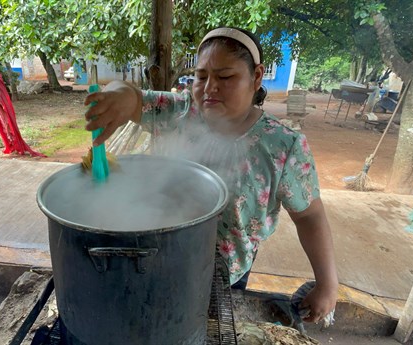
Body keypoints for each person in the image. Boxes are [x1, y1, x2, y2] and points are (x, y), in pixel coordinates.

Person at [84, 27, 338, 324]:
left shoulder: (283, 146)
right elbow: (133, 97)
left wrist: (327, 284)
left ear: (256, 77)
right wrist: (119, 95)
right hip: (158, 257)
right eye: (201, 76)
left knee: (204, 325)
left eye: (225, 77)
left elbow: (310, 216)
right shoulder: (179, 112)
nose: (209, 88)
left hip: (226, 270)